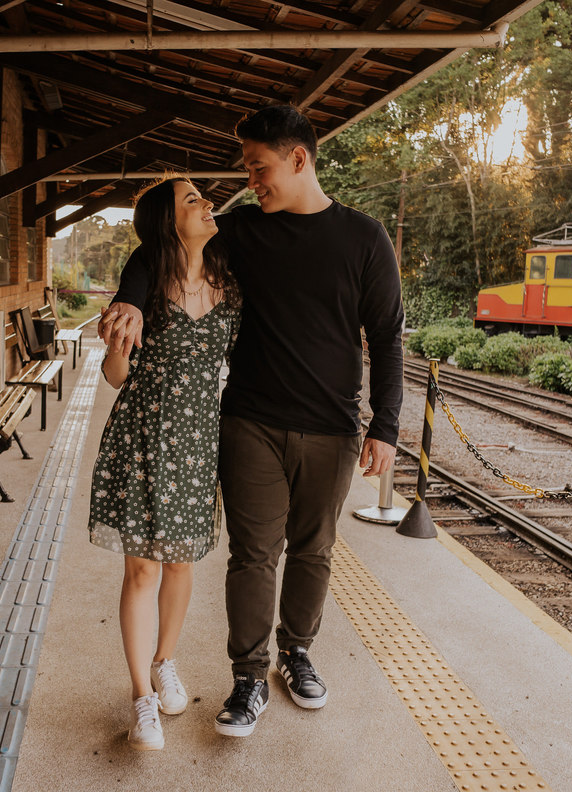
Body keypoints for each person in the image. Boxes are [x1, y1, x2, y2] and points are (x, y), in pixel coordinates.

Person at [100, 105, 404, 738]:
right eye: (246, 169)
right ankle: (247, 676)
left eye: (258, 168)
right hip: (250, 422)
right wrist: (128, 297)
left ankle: (296, 654)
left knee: (314, 549)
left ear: (298, 159)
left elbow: (387, 336)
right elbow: (156, 247)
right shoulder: (240, 230)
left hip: (333, 424)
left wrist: (386, 427)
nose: (249, 182)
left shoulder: (365, 238)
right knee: (253, 554)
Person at [88, 177, 241, 751]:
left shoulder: (228, 279)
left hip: (200, 442)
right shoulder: (146, 284)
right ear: (167, 222)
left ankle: (165, 660)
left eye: (202, 196)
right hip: (145, 437)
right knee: (143, 571)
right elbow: (114, 379)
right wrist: (116, 349)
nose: (206, 203)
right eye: (192, 200)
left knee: (180, 564)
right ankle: (140, 696)